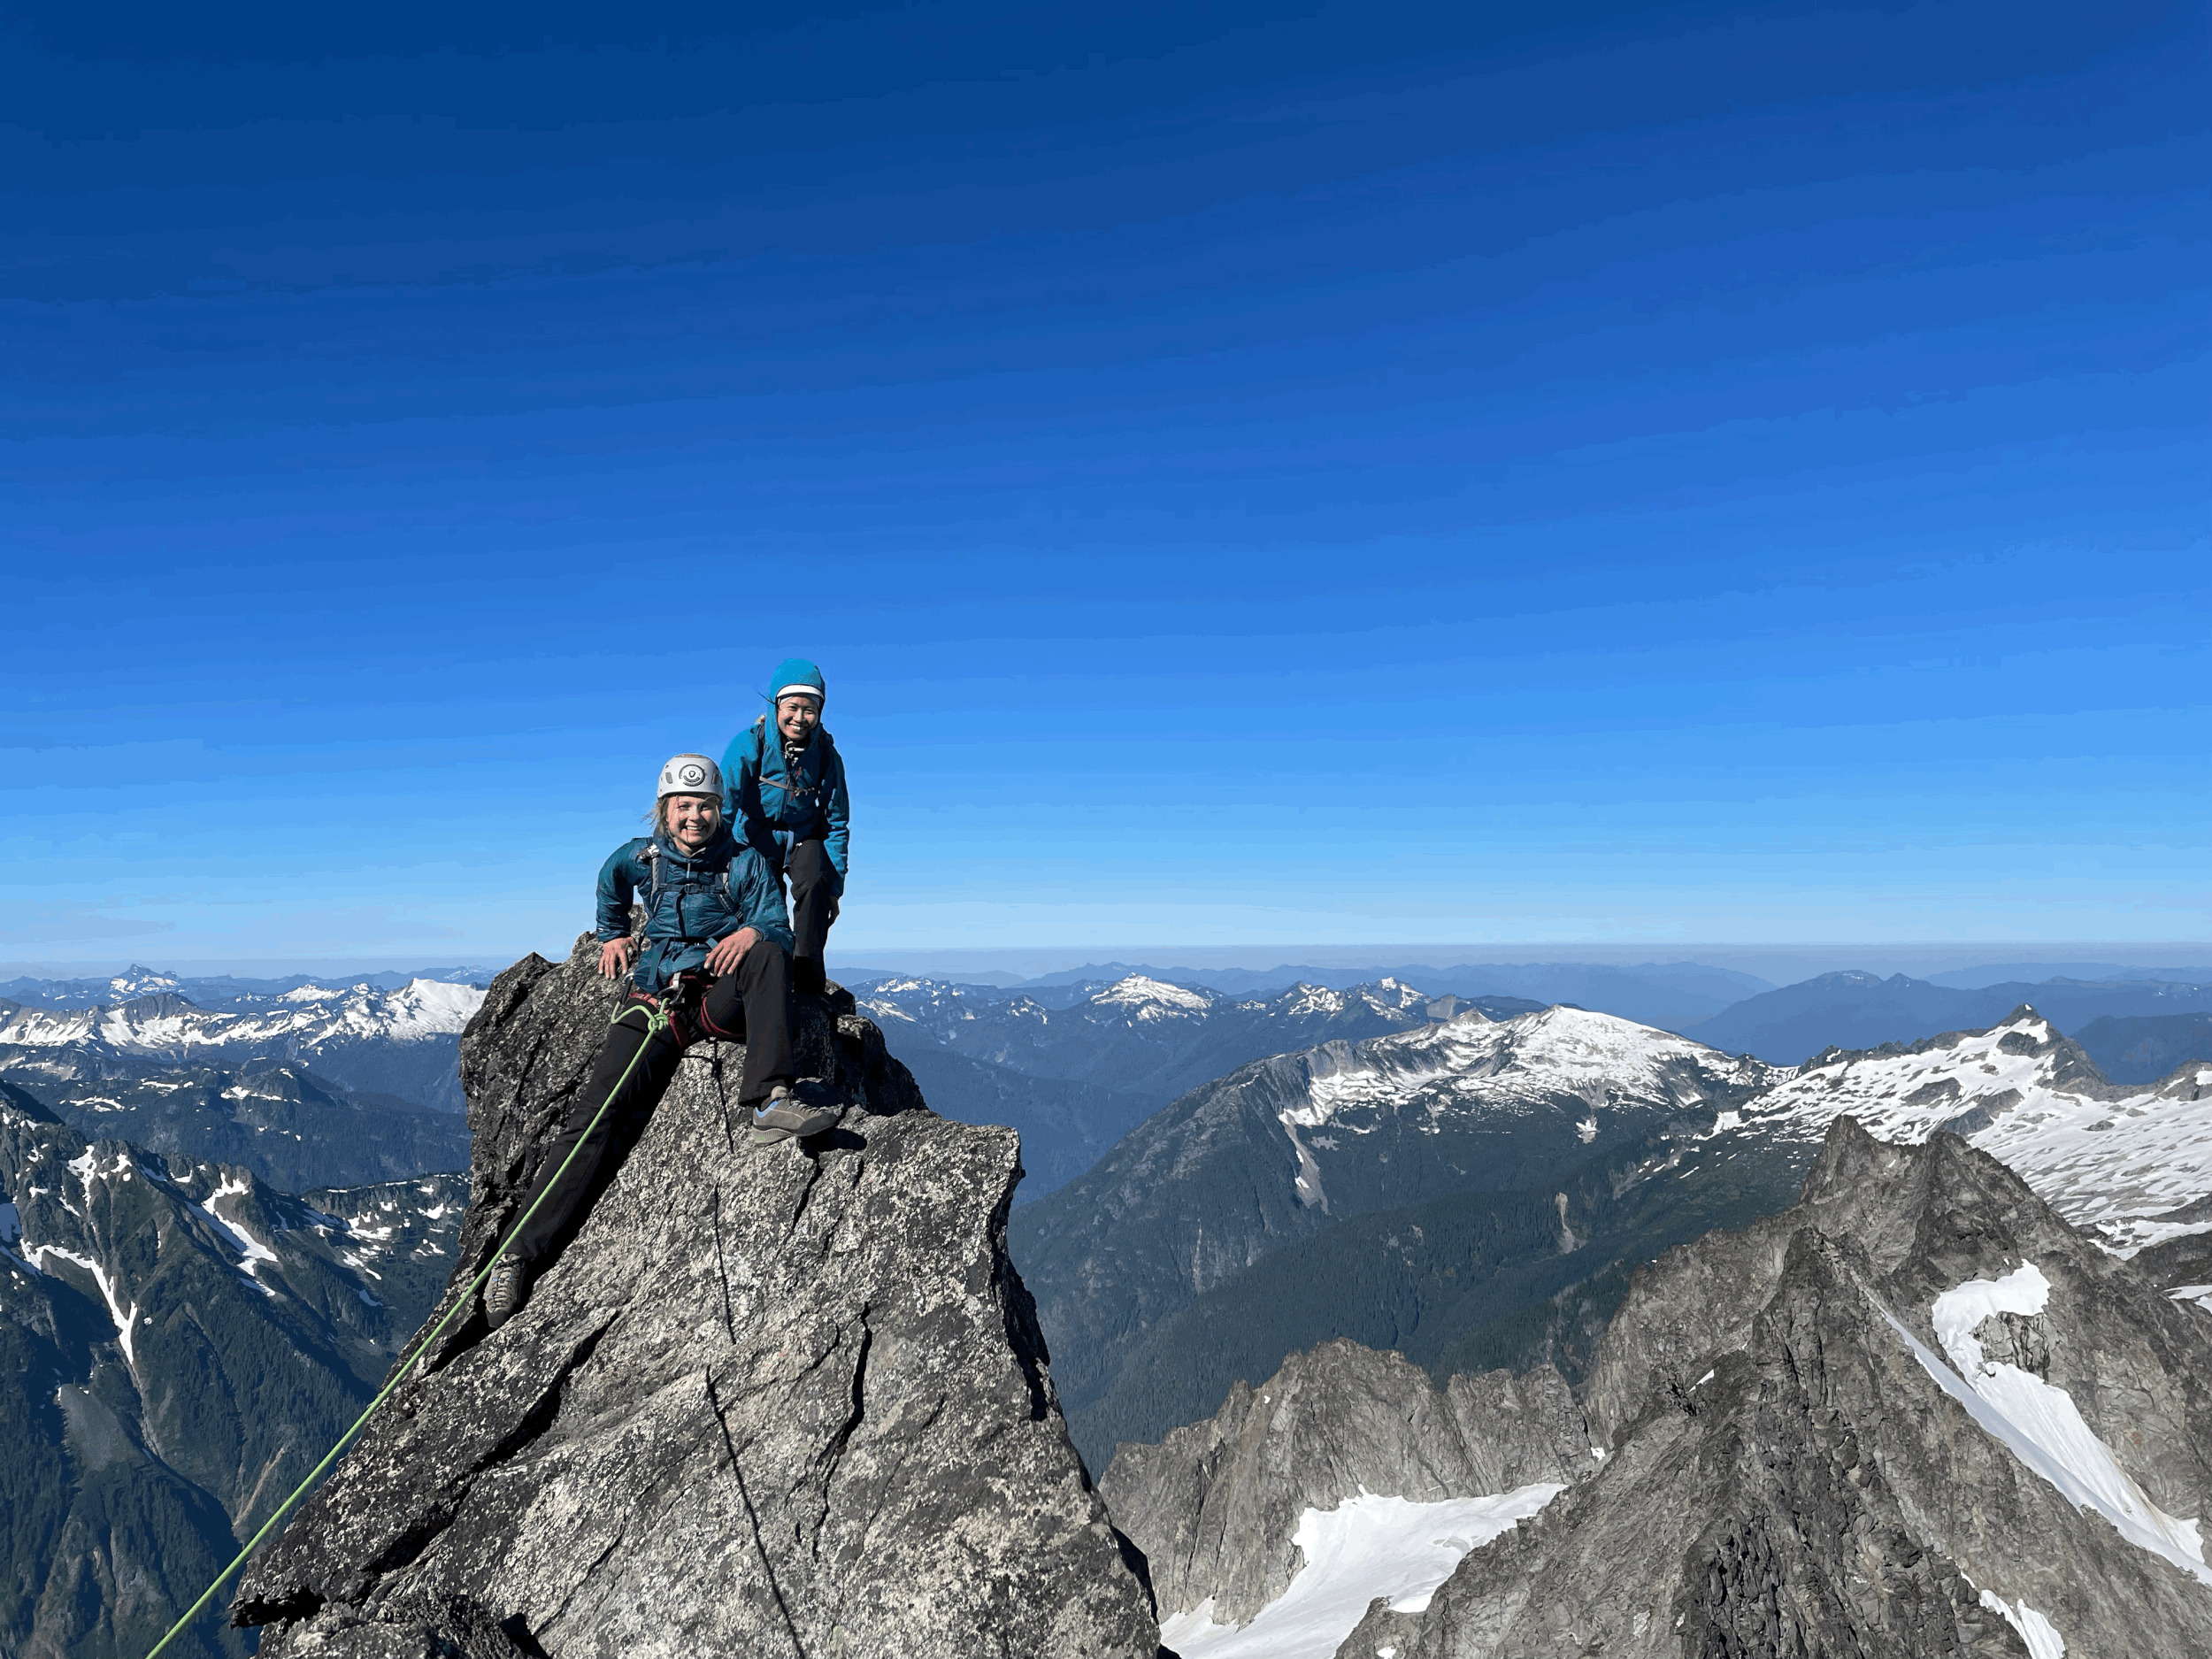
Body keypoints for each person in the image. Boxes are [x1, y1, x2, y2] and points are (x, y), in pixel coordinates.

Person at [482, 753, 835, 1330]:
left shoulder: (744, 863)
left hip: (718, 999)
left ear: (720, 810)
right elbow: (609, 880)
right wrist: (613, 933)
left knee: (769, 954)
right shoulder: (641, 858)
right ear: (664, 810)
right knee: (595, 1117)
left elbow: (776, 925)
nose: (694, 816)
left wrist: (750, 931)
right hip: (657, 1002)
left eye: (705, 806)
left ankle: (771, 1099)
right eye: (683, 806)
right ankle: (517, 1254)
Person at [722, 657, 850, 996]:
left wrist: (833, 889)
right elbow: (725, 804)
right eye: (792, 707)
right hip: (754, 834)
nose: (800, 718)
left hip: (801, 835)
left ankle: (808, 983)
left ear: (820, 712)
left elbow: (837, 821)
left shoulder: (825, 753)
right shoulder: (750, 744)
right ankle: (769, 977)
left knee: (814, 885)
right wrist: (716, 861)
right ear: (776, 704)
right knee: (766, 902)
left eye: (810, 710)